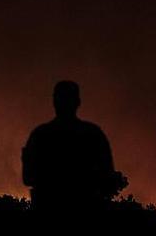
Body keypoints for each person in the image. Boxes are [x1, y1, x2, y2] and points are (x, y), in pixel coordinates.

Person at [22, 81, 120, 214]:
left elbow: (28, 177)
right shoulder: (92, 134)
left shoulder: (41, 135)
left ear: (54, 102)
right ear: (78, 102)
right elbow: (109, 177)